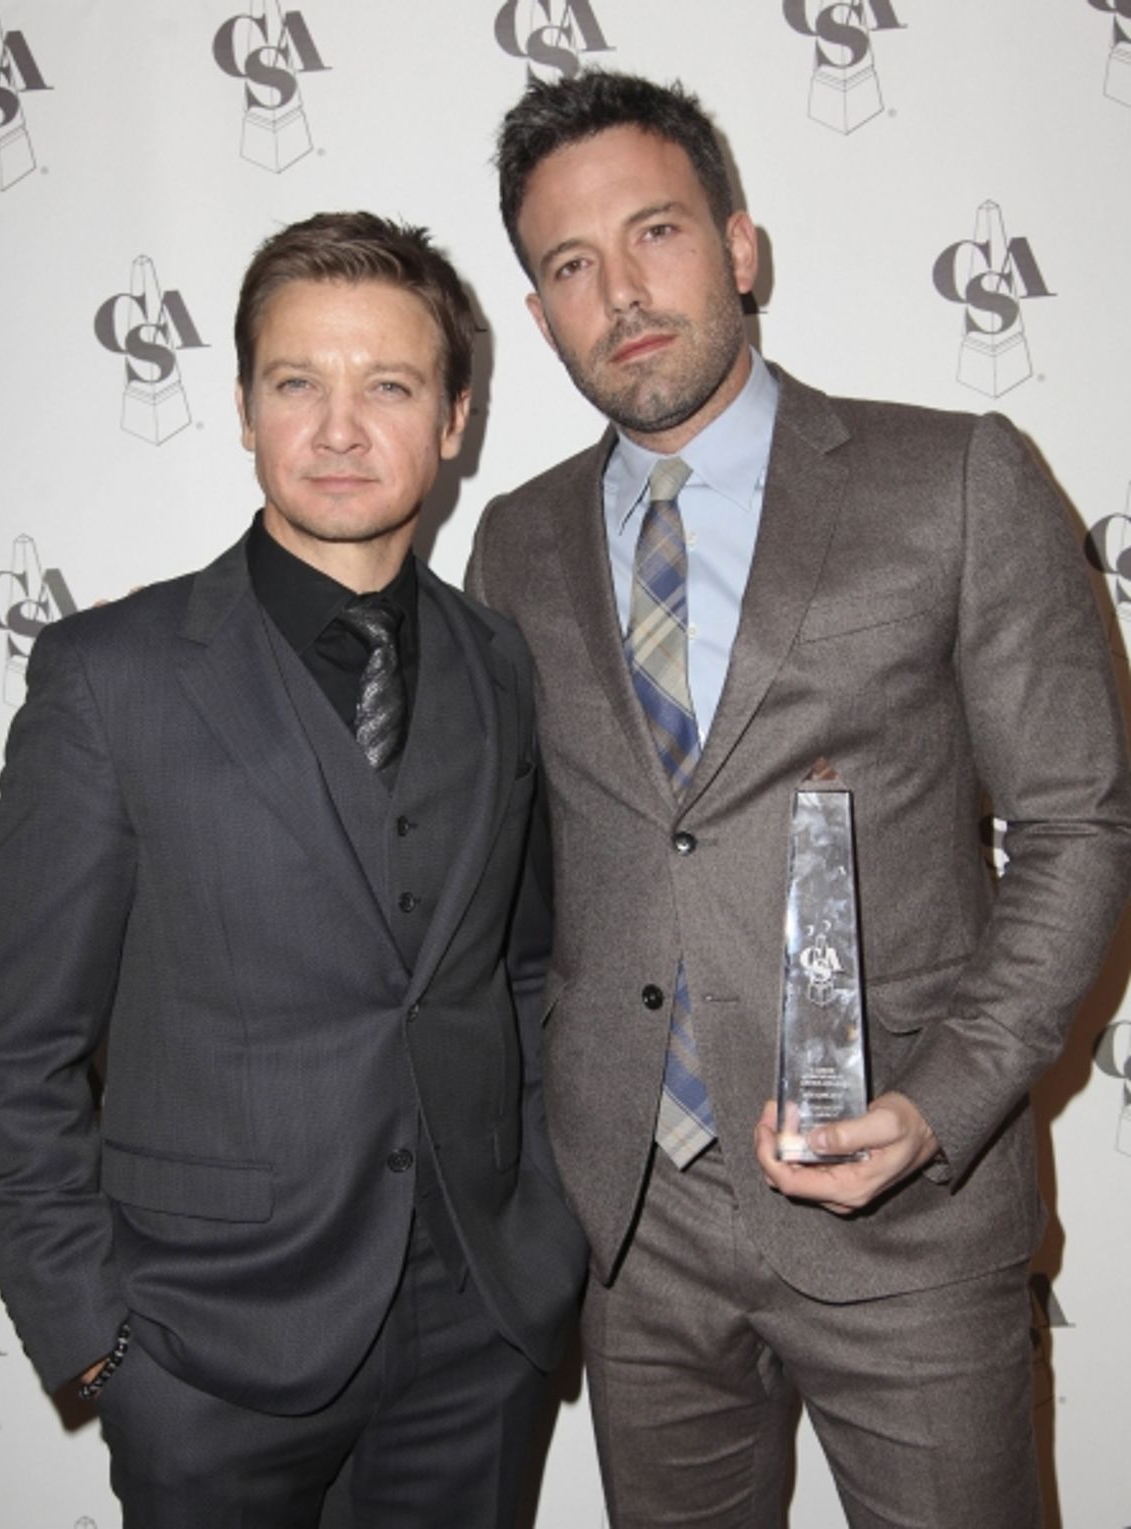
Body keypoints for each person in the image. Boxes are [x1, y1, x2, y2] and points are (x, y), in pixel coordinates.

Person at [467, 70, 1131, 1528]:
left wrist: (942, 1104)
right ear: (537, 317)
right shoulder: (512, 548)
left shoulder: (953, 479)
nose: (621, 292)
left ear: (741, 245)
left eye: (656, 233)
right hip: (639, 1237)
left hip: (905, 1214)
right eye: (570, 266)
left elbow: (1076, 825)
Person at [0, 211, 586, 1529]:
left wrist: (544, 1244)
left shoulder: (500, 665)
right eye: (299, 382)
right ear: (244, 407)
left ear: (455, 418)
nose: (341, 428)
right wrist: (99, 1343)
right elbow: (14, 1049)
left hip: (476, 1342)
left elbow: (524, 972)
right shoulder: (108, 681)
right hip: (205, 1355)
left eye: (389, 385)